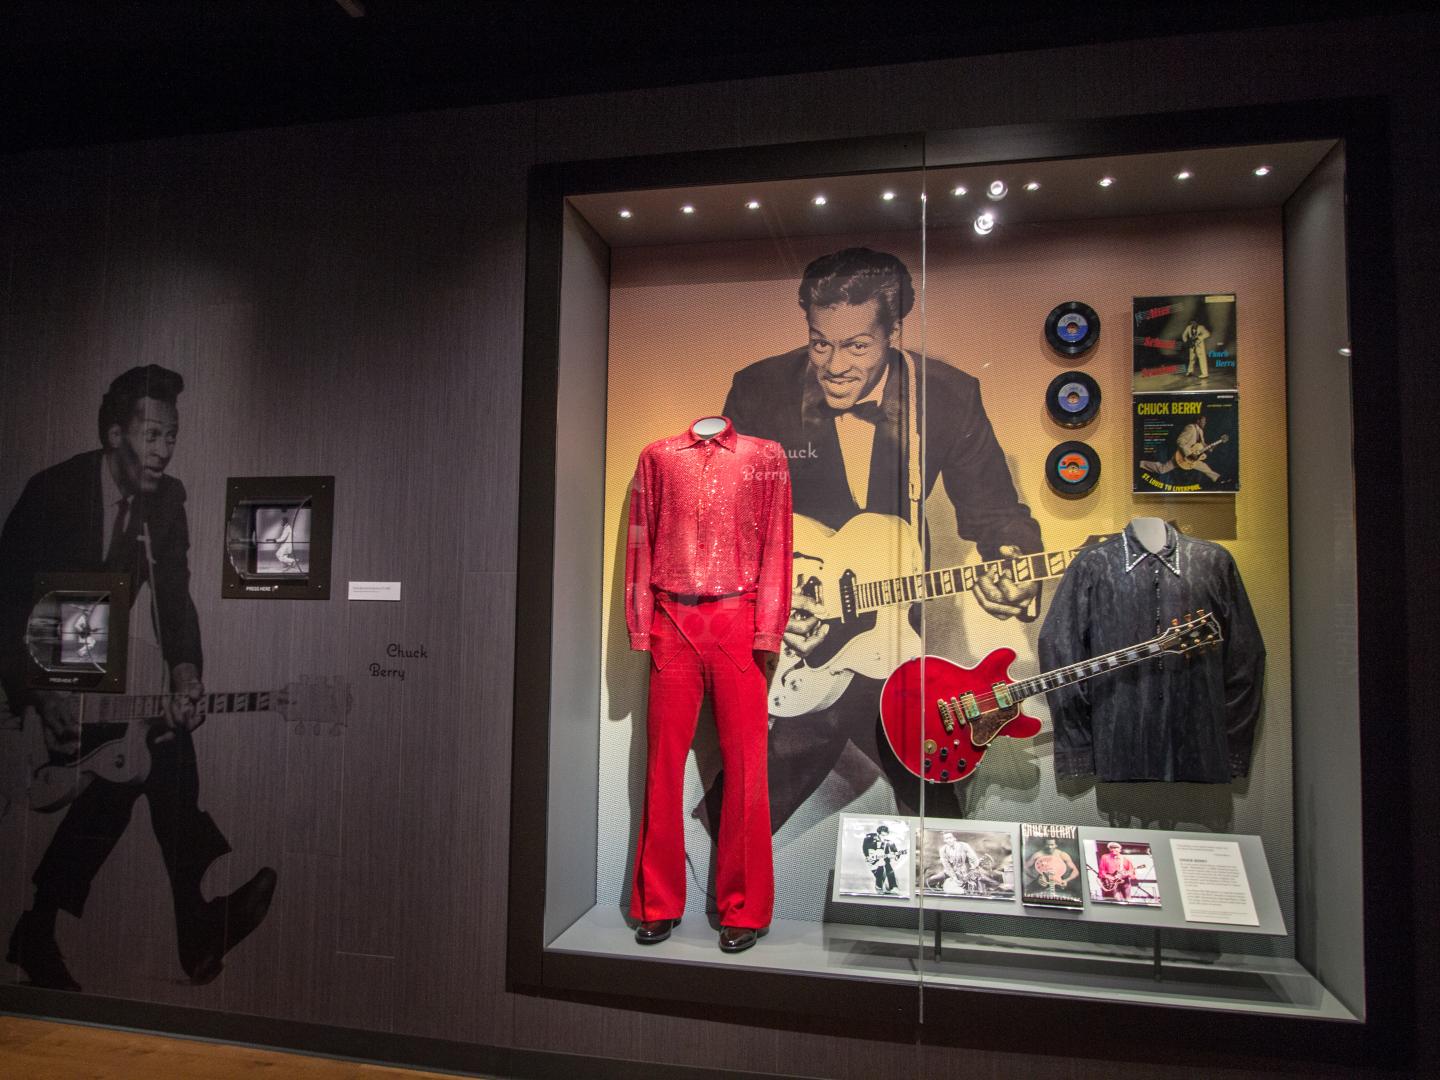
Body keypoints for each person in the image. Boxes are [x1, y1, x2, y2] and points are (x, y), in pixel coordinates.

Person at [701, 247, 1044, 831]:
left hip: (895, 632)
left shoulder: (948, 395)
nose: (834, 365)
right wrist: (765, 607)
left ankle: (942, 911)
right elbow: (724, 519)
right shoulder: (759, 389)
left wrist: (1014, 565)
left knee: (938, 791)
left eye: (857, 345)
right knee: (755, 792)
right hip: (797, 639)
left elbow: (996, 515)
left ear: (895, 331)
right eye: (819, 342)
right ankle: (712, 892)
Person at [1, 365, 276, 992]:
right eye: (152, 434)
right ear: (113, 433)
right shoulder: (53, 492)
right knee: (146, 760)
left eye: (172, 435)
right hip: (25, 686)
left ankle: (48, 928)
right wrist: (36, 687)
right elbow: (2, 600)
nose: (164, 449)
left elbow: (173, 597)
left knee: (152, 749)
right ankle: (190, 923)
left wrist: (185, 671)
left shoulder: (167, 501)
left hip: (97, 671)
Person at [1139, 414, 1222, 484]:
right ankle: (1141, 463)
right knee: (1162, 469)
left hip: (1192, 458)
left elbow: (1202, 444)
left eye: (1205, 421)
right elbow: (1180, 441)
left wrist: (1210, 447)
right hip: (1182, 456)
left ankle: (1218, 479)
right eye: (1203, 421)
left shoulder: (1200, 431)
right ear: (1198, 421)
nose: (1205, 423)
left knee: (1204, 467)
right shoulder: (1191, 428)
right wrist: (1189, 454)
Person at [862, 823, 904, 894]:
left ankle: (893, 887)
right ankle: (880, 886)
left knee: (889, 870)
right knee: (880, 873)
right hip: (873, 862)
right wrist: (867, 856)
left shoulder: (889, 842)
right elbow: (865, 848)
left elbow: (896, 852)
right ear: (878, 833)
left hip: (885, 861)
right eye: (882, 835)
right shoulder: (869, 839)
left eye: (885, 835)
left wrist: (895, 856)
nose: (883, 837)